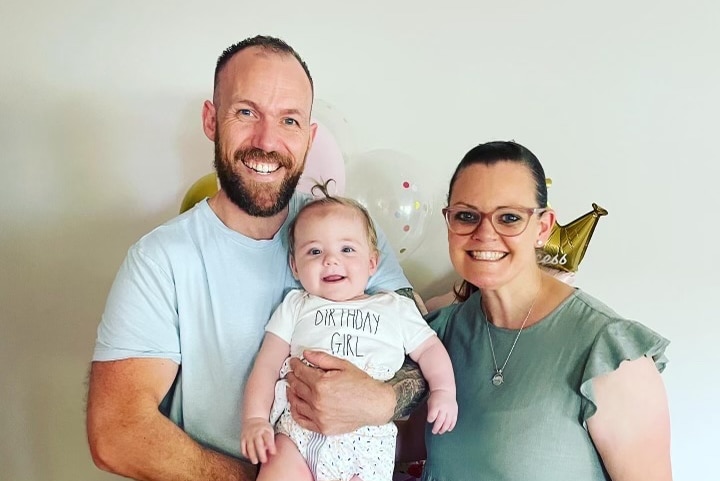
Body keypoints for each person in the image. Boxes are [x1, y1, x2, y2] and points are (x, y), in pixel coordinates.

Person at [86, 35, 427, 481]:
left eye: (289, 120)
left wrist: (383, 399)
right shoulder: (161, 260)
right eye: (246, 113)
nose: (267, 142)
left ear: (309, 136)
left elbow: (419, 352)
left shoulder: (346, 231)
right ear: (211, 120)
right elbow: (118, 432)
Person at [409, 140, 672, 481]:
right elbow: (410, 444)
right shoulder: (440, 333)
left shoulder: (609, 355)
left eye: (509, 218)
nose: (485, 234)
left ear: (543, 227)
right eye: (466, 216)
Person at [241, 189, 457, 481]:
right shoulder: (295, 305)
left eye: (347, 250)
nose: (331, 260)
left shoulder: (394, 307)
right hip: (296, 435)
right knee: (276, 469)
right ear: (295, 266)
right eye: (314, 251)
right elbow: (266, 365)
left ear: (372, 263)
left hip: (366, 446)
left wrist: (444, 392)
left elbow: (430, 350)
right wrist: (255, 419)